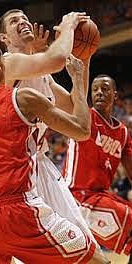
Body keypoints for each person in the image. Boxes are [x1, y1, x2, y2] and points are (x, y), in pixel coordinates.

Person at [0, 17, 108, 264]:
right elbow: (56, 61)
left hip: (25, 178)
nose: (23, 21)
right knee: (86, 257)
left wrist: (84, 58)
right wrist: (68, 29)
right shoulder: (10, 62)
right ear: (4, 40)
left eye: (25, 17)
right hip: (18, 187)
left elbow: (75, 106)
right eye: (14, 20)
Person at [63, 74, 132, 262]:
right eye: (95, 90)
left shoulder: (122, 133)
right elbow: (73, 99)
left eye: (105, 89)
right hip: (75, 196)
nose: (99, 93)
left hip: (100, 196)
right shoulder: (84, 116)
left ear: (115, 95)